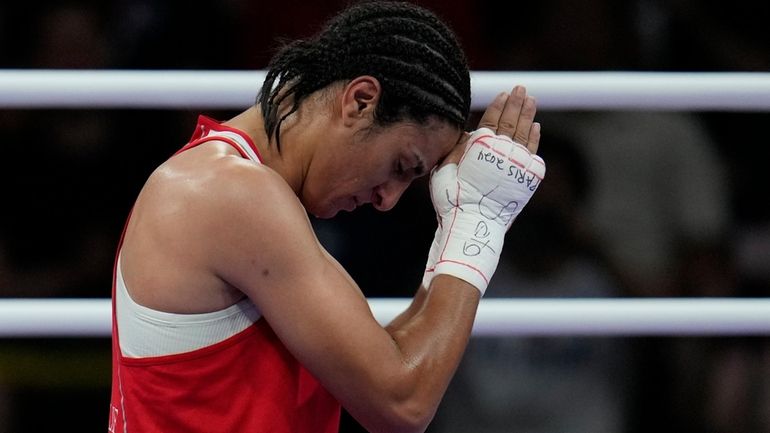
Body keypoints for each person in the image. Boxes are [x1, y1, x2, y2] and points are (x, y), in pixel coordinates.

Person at [108, 2, 545, 433]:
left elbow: (390, 358)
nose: (388, 200)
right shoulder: (231, 194)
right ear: (360, 101)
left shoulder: (238, 186)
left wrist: (458, 224)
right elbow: (404, 403)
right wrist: (479, 220)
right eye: (401, 166)